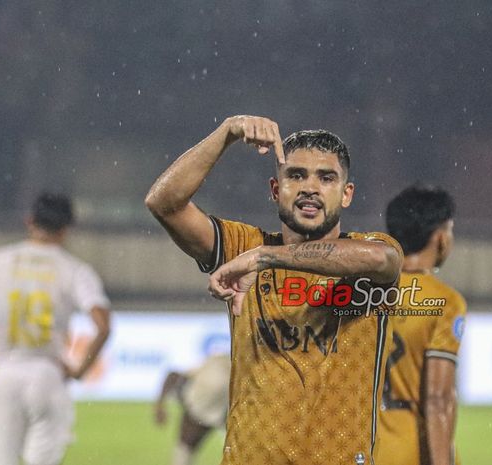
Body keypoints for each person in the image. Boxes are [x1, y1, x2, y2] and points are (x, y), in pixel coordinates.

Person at [145, 115, 403, 465]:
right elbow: (164, 203)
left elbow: (382, 260)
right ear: (275, 189)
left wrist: (265, 257)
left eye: (326, 178)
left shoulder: (365, 251)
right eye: (295, 175)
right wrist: (226, 134)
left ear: (346, 194)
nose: (309, 187)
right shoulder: (242, 245)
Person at [0, 192, 111, 465]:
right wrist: (79, 371)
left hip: (5, 375)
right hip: (48, 375)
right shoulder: (75, 270)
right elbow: (103, 326)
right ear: (66, 228)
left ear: (29, 220)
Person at [377, 185, 467, 465]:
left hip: (364, 446)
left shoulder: (364, 291)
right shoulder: (445, 301)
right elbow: (438, 399)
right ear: (440, 238)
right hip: (410, 448)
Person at [154, 353, 231, 465]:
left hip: (202, 407)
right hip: (227, 407)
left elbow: (172, 376)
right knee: (239, 448)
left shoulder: (190, 384)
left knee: (184, 450)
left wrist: (159, 406)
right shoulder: (221, 362)